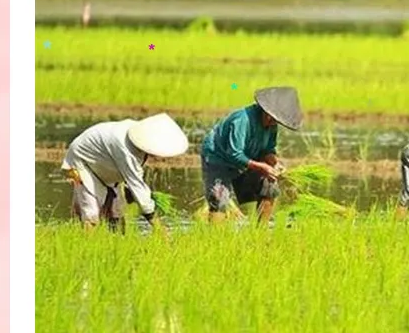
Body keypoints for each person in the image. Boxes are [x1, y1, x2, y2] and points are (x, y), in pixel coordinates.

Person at [60, 113, 190, 233]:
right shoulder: (126, 149)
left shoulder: (138, 137)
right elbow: (137, 185)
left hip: (105, 164)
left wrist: (131, 191)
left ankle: (118, 244)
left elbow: (131, 178)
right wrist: (157, 226)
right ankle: (87, 248)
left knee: (116, 213)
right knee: (91, 213)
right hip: (82, 161)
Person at [200, 86, 304, 224]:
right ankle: (215, 238)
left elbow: (268, 149)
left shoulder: (272, 125)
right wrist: (262, 167)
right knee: (219, 199)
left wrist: (274, 163)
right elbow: (235, 154)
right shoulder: (242, 120)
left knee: (270, 184)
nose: (273, 123)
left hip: (245, 161)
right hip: (219, 159)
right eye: (272, 118)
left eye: (277, 121)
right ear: (266, 112)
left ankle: (260, 233)